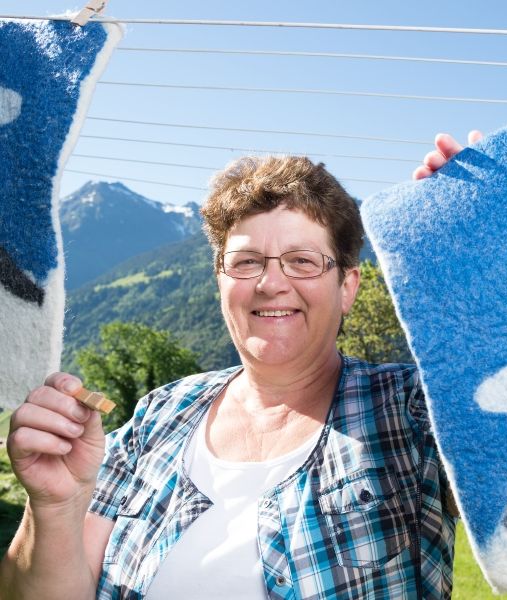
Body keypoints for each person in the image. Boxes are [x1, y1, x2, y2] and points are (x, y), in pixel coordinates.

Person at [0, 131, 482, 600]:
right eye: (247, 261)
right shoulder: (160, 415)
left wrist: (503, 241)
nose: (272, 283)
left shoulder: (413, 409)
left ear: (348, 286)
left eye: (302, 260)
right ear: (220, 280)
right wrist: (56, 507)